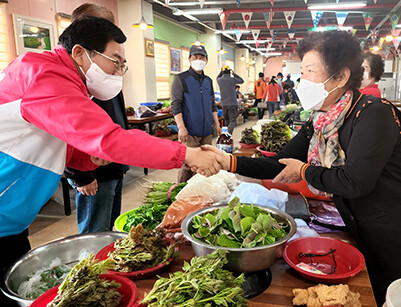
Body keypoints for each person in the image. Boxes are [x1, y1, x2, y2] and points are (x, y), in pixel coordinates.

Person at [205, 31, 401, 306]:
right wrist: (227, 162)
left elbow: (355, 182)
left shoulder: (373, 113)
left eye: (310, 71)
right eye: (303, 71)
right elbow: (280, 162)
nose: (303, 80)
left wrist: (304, 172)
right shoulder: (321, 120)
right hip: (369, 224)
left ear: (339, 77)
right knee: (387, 294)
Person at [0, 16, 220, 305]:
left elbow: (73, 145)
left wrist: (90, 160)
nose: (119, 71)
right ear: (80, 53)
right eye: (115, 61)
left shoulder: (70, 84)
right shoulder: (42, 73)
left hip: (12, 221)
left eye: (122, 65)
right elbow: (108, 139)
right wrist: (186, 154)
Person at [63, 3, 128, 234]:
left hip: (112, 165)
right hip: (92, 172)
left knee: (110, 230)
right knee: (94, 232)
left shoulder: (103, 69)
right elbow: (68, 132)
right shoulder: (71, 77)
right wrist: (81, 176)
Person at [171, 44, 222, 182]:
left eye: (202, 57)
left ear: (206, 60)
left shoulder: (208, 81)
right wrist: (181, 127)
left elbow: (212, 104)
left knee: (205, 165)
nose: (199, 59)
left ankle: (198, 194)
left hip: (206, 131)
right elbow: (176, 104)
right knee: (189, 165)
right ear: (189, 59)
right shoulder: (181, 79)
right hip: (189, 132)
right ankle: (180, 192)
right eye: (196, 56)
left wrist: (217, 124)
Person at [216, 65, 244, 135]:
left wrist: (221, 72)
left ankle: (225, 134)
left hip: (224, 104)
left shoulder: (220, 80)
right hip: (232, 103)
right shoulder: (232, 79)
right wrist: (234, 74)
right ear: (229, 72)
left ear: (223, 72)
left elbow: (217, 77)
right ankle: (228, 135)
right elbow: (241, 81)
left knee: (227, 121)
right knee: (232, 121)